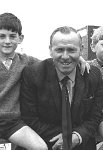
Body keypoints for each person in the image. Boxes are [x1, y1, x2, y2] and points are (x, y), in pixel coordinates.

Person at [19, 26, 103, 150]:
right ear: (50, 50)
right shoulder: (33, 74)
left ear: (81, 50)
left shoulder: (93, 75)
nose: (65, 56)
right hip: (45, 142)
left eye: (71, 50)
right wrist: (63, 138)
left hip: (80, 144)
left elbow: (95, 116)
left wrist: (77, 136)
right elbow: (29, 117)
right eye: (59, 50)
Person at [0, 12, 48, 150]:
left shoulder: (26, 61)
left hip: (13, 123)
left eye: (12, 36)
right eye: (2, 36)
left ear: (20, 38)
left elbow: (53, 64)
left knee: (40, 148)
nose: (7, 41)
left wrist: (79, 59)